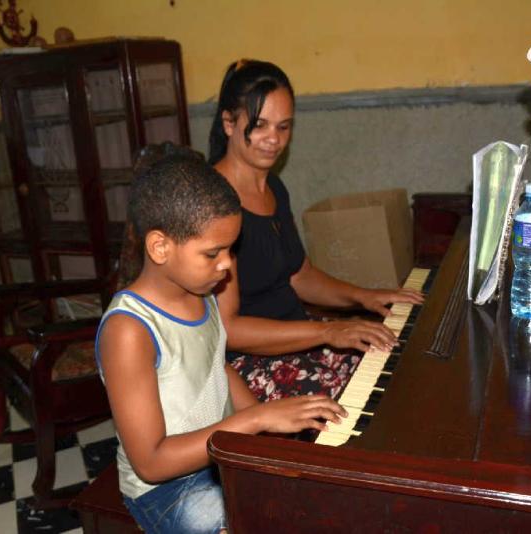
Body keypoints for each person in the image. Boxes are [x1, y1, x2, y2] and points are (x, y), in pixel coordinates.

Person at [95, 146, 348, 533]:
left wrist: (266, 435)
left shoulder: (205, 294)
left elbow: (218, 365)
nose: (228, 264)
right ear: (160, 246)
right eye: (213, 252)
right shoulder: (130, 330)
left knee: (318, 501)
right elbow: (151, 461)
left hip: (221, 453)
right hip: (166, 488)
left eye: (231, 249)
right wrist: (256, 419)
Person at [208, 60, 423, 401]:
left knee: (396, 361)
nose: (273, 140)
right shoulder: (213, 201)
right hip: (247, 361)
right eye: (260, 125)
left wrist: (365, 296)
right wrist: (328, 331)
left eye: (284, 127)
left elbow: (299, 275)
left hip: (298, 337)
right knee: (358, 399)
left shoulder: (274, 188)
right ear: (229, 123)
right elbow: (228, 330)